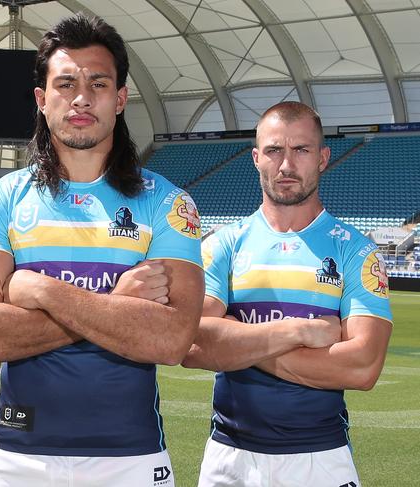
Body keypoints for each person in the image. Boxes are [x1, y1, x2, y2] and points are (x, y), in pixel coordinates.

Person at [0, 14, 204, 487]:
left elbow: (171, 340)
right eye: (66, 83)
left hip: (130, 458)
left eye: (99, 83)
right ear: (42, 100)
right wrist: (118, 307)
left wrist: (42, 290)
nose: (82, 98)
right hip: (19, 459)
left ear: (121, 98)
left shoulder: (168, 204)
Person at [182, 101, 393, 487]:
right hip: (230, 459)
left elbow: (363, 367)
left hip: (320, 458)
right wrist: (295, 334)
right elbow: (191, 345)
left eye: (301, 150)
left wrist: (237, 343)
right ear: (256, 158)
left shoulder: (357, 251)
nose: (286, 166)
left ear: (323, 158)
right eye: (275, 150)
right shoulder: (223, 245)